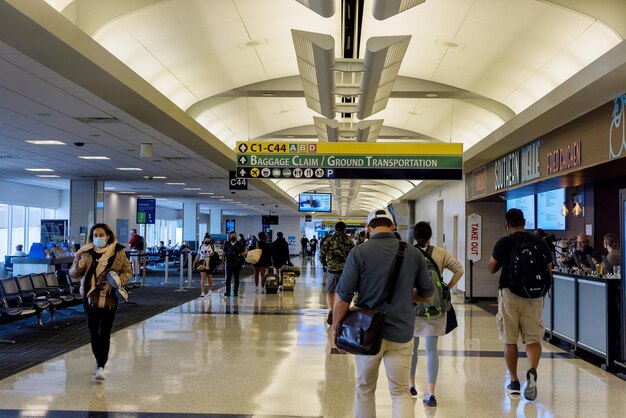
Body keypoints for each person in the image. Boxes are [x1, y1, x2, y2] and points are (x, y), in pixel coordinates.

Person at [332, 208, 434, 418]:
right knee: (400, 392)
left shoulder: (359, 252)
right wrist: (407, 294)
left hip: (366, 333)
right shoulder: (413, 253)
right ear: (392, 226)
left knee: (364, 389)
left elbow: (343, 297)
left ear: (368, 229)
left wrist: (335, 327)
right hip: (402, 333)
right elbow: (428, 295)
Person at [488, 208, 552, 401]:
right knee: (533, 338)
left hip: (509, 293)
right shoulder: (539, 242)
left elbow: (491, 268)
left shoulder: (504, 243)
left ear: (507, 224)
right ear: (524, 221)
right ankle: (532, 371)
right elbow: (549, 269)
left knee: (510, 338)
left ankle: (514, 381)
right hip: (534, 296)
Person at [409, 221, 464, 406]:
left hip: (413, 307)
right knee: (432, 350)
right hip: (435, 307)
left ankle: (410, 385)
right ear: (430, 235)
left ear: (414, 236)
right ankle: (430, 392)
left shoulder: (408, 252)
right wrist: (447, 288)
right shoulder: (440, 253)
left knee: (412, 349)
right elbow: (459, 269)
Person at [69, 223, 132, 381]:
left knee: (104, 331)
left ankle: (101, 365)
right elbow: (73, 274)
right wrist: (78, 265)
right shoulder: (85, 252)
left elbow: (128, 272)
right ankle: (99, 359)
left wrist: (115, 282)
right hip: (89, 296)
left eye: (101, 235)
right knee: (93, 331)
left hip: (109, 296)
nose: (98, 238)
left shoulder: (118, 252)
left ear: (108, 235)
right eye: (95, 235)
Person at [319, 222, 354, 326]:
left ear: (335, 229)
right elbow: (354, 256)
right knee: (343, 293)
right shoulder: (349, 241)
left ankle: (332, 311)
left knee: (330, 292)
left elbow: (321, 254)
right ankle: (342, 313)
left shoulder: (329, 240)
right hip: (346, 272)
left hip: (333, 271)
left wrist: (324, 264)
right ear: (344, 229)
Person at [222, 231, 245, 297]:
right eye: (232, 236)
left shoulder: (239, 244)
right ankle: (227, 292)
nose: (233, 237)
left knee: (236, 278)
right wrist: (223, 263)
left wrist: (239, 254)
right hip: (229, 263)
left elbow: (244, 253)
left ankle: (235, 292)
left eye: (234, 236)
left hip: (237, 263)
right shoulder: (227, 244)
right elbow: (224, 254)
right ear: (230, 236)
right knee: (228, 278)